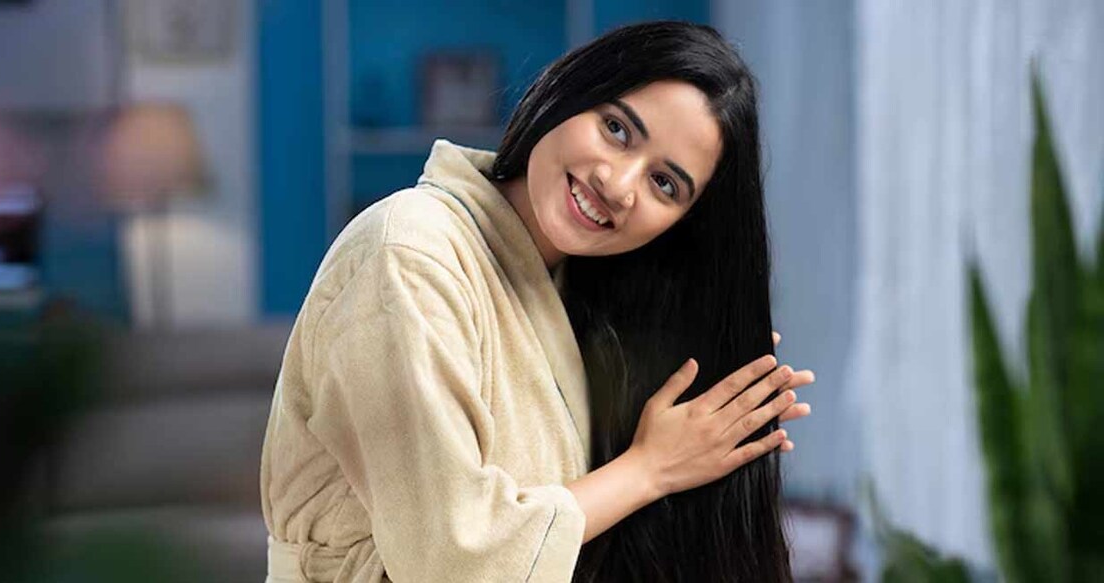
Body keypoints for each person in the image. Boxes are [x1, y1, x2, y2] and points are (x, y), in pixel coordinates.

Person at [260, 20, 815, 583]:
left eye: (665, 185)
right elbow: (449, 562)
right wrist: (650, 468)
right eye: (618, 130)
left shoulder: (576, 293)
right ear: (567, 92)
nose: (619, 185)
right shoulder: (409, 251)